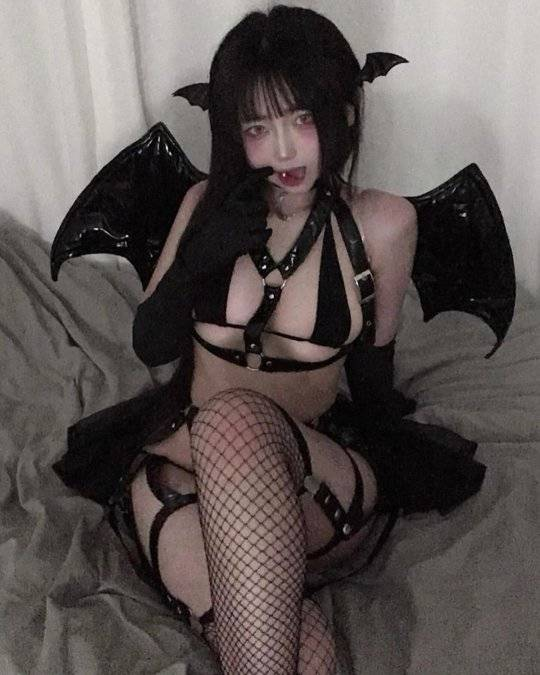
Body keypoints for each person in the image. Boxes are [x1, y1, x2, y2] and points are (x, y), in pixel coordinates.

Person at [59, 6, 484, 674]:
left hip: (311, 470)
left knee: (236, 421)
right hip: (185, 462)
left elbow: (373, 369)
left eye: (301, 119)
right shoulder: (204, 205)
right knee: (280, 642)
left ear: (343, 115)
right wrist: (200, 258)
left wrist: (406, 448)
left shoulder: (383, 224)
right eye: (257, 127)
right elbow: (150, 343)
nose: (282, 150)